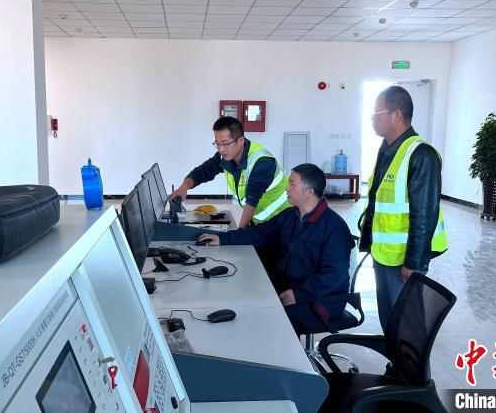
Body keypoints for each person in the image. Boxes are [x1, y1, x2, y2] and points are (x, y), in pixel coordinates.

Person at [199, 163, 354, 335]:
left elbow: (334, 275)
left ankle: (288, 353)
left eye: (292, 184)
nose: (287, 188)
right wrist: (222, 239)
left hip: (322, 299)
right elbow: (260, 233)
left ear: (309, 192)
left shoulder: (334, 227)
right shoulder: (290, 215)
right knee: (248, 298)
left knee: (274, 318)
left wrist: (298, 295)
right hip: (293, 286)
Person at [359, 86, 447, 333]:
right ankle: (394, 358)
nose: (372, 119)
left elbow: (424, 215)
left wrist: (413, 262)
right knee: (390, 321)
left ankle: (410, 361)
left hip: (405, 261)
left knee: (407, 325)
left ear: (396, 115)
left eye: (376, 113)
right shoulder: (387, 149)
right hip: (383, 254)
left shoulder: (421, 154)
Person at [170, 116, 291, 229]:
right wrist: (183, 188)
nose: (221, 149)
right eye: (217, 144)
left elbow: (251, 202)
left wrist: (238, 235)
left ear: (240, 141)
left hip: (284, 222)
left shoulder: (261, 162)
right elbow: (203, 172)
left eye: (225, 143)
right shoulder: (225, 156)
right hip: (262, 223)